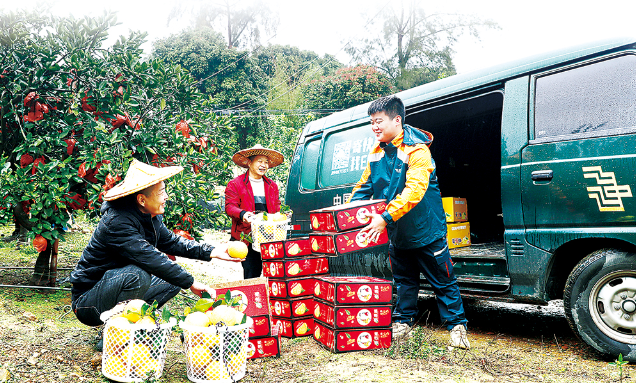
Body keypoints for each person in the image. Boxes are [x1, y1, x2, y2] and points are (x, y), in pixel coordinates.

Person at [349, 95, 470, 349]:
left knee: (443, 281)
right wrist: (345, 214)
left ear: (397, 120)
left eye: (379, 121)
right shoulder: (375, 153)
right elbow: (363, 187)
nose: (375, 127)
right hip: (398, 233)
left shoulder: (418, 150)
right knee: (404, 282)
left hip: (426, 231)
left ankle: (457, 328)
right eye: (371, 122)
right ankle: (403, 323)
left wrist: (383, 217)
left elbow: (414, 190)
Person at [70, 160, 242, 333]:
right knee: (137, 275)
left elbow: (172, 242)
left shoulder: (147, 215)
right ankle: (118, 333)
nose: (166, 196)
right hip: (87, 302)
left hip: (113, 288)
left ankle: (137, 326)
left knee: (173, 280)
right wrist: (191, 283)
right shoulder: (117, 222)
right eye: (161, 192)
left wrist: (212, 251)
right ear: (142, 199)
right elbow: (151, 258)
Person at [225, 144, 284, 279]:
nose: (264, 165)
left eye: (266, 162)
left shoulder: (272, 186)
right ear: (249, 162)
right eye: (260, 161)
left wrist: (281, 215)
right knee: (252, 274)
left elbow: (276, 206)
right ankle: (253, 299)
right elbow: (230, 206)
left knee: (273, 274)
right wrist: (243, 214)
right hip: (248, 236)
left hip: (269, 236)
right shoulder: (235, 184)